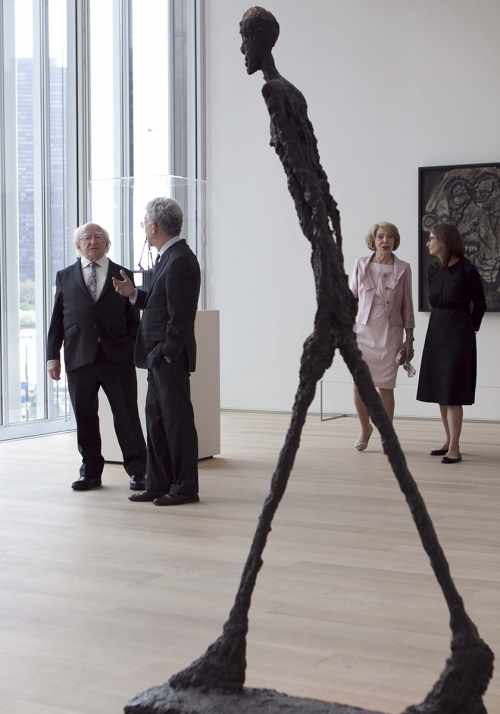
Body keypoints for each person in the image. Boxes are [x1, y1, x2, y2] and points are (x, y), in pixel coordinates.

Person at [112, 197, 201, 506]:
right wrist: (133, 294)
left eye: (143, 224)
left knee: (176, 423)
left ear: (153, 227)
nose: (143, 229)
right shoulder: (170, 257)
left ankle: (184, 488)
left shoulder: (180, 260)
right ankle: (158, 482)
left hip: (167, 358)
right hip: (158, 358)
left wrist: (165, 353)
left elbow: (180, 317)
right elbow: (159, 303)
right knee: (157, 421)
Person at [47, 223, 147, 491]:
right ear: (78, 245)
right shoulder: (64, 276)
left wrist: (131, 349)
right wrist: (52, 356)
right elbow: (57, 318)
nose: (93, 241)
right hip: (79, 357)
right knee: (85, 417)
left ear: (107, 244)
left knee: (126, 415)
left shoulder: (122, 273)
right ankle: (90, 471)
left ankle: (139, 471)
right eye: (86, 237)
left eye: (99, 237)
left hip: (117, 358)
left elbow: (133, 320)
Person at [417, 223, 486, 463]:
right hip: (436, 331)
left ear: (444, 241)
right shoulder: (433, 270)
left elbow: (480, 304)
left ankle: (455, 448)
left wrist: (470, 328)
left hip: (459, 334)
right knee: (442, 390)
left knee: (454, 391)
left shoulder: (468, 270)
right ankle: (448, 441)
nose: (428, 243)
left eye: (432, 238)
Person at [350, 222, 415, 450]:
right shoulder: (361, 265)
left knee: (386, 387)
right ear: (373, 240)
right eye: (380, 236)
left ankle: (387, 435)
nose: (385, 240)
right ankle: (365, 429)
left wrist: (409, 339)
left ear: (395, 241)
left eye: (389, 237)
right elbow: (350, 299)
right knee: (359, 385)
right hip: (362, 334)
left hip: (390, 335)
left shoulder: (404, 268)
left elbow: (407, 306)